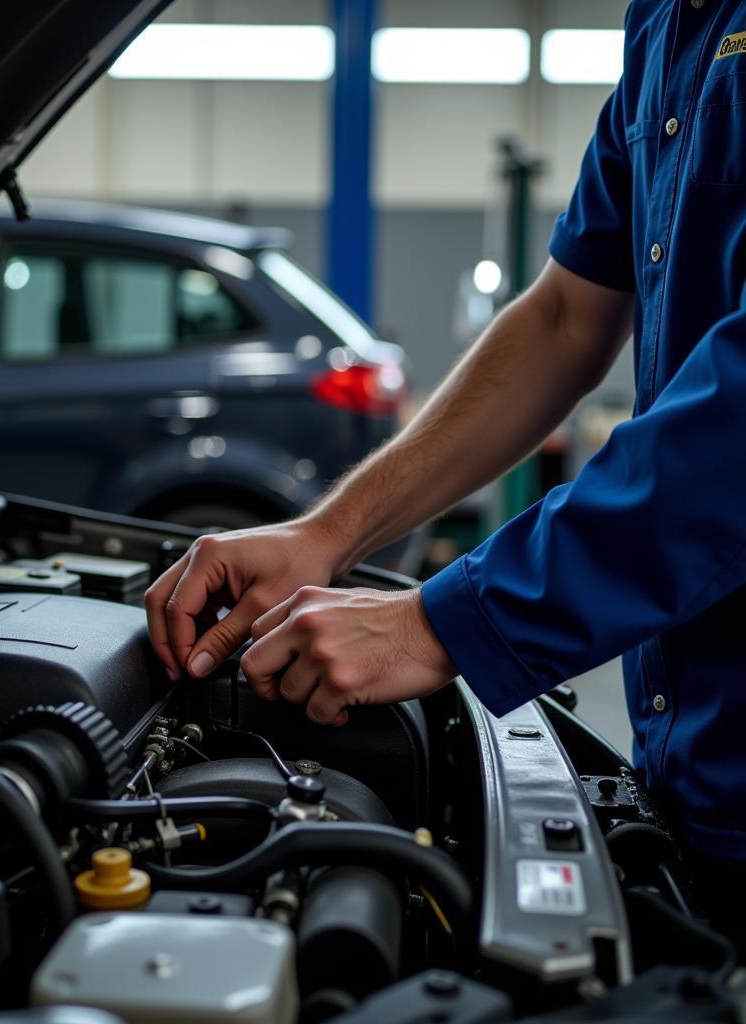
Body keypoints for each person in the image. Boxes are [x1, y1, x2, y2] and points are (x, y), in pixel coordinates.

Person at [146, 0, 746, 939]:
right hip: (698, 758)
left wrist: (447, 622)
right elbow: (564, 318)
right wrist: (327, 534)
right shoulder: (665, 25)